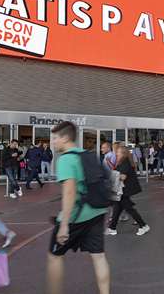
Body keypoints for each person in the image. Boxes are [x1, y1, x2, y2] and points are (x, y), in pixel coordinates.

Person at [47, 121, 110, 294]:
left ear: (66, 138)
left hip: (76, 215)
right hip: (97, 211)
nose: (53, 142)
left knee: (54, 257)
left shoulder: (66, 159)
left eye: (55, 138)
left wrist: (65, 224)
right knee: (98, 256)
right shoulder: (87, 155)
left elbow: (69, 193)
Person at [105, 146, 150, 236]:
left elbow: (123, 177)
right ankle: (112, 228)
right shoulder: (122, 162)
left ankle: (143, 226)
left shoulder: (125, 162)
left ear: (123, 154)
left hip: (125, 190)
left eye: (118, 152)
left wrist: (110, 175)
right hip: (123, 190)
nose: (116, 154)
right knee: (117, 208)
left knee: (129, 208)